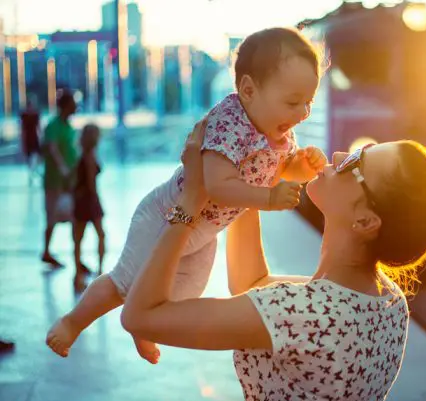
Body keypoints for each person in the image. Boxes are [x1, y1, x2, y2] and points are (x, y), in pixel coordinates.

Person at [118, 121, 426, 401]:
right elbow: (253, 282)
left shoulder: (300, 313)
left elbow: (140, 317)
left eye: (356, 162)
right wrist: (251, 181)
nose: (338, 155)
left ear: (366, 221)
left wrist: (190, 203)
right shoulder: (386, 301)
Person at [46, 27, 327, 364]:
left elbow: (280, 168)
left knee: (180, 299)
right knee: (124, 282)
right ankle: (72, 322)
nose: (302, 113)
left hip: (203, 231)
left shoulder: (277, 128)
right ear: (249, 90)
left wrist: (302, 166)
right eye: (293, 102)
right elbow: (216, 184)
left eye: (309, 102)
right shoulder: (230, 123)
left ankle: (145, 322)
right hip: (168, 214)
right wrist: (268, 199)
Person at [41, 90, 78, 269]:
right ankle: (46, 251)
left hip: (69, 182)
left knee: (75, 217)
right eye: (72, 104)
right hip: (55, 181)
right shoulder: (53, 125)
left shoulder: (68, 126)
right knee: (52, 217)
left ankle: (76, 256)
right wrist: (63, 168)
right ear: (65, 106)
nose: (75, 107)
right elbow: (53, 149)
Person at [72, 124, 106, 292]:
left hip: (80, 201)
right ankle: (99, 271)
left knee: (78, 239)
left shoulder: (83, 155)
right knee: (100, 235)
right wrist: (97, 200)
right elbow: (91, 183)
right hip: (90, 201)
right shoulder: (90, 157)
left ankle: (78, 274)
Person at [20, 97, 41, 183]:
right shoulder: (24, 115)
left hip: (33, 136)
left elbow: (39, 127)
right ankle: (31, 172)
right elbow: (22, 128)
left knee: (36, 155)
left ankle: (33, 170)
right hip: (28, 137)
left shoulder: (36, 114)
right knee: (29, 156)